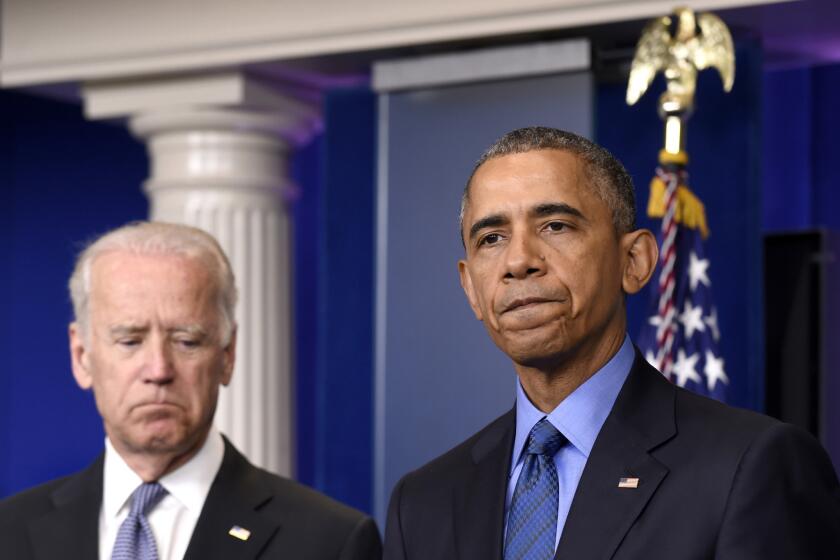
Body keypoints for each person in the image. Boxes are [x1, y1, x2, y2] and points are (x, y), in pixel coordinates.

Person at [383, 127, 840, 559]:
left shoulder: (750, 466)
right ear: (470, 289)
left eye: (555, 226)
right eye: (492, 238)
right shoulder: (423, 502)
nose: (518, 261)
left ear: (634, 261)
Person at [0, 222, 382, 559]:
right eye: (130, 340)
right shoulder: (9, 533)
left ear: (228, 354)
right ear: (81, 355)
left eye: (186, 341)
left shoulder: (328, 543)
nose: (159, 370)